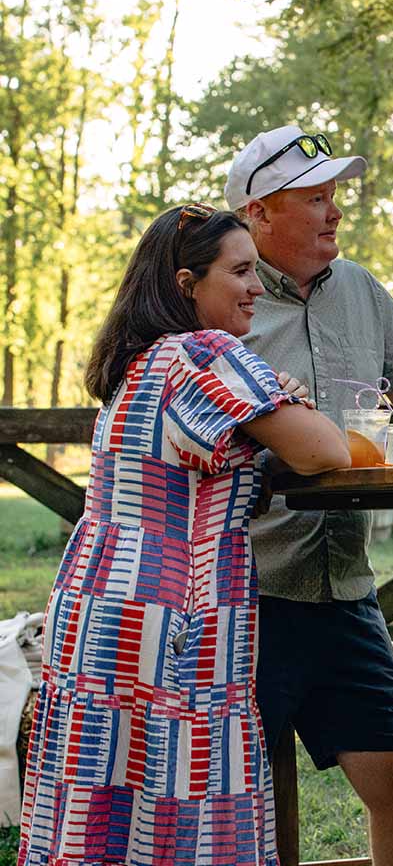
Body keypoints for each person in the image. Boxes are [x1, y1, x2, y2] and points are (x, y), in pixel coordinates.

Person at [18, 204, 350, 866]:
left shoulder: (137, 364)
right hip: (176, 619)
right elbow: (326, 453)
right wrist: (296, 405)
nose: (257, 286)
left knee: (105, 811)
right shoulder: (204, 352)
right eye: (240, 271)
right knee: (185, 809)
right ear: (185, 283)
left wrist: (268, 402)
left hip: (100, 610)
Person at [223, 126, 393, 865]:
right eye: (315, 198)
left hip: (343, 589)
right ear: (259, 213)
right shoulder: (220, 296)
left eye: (335, 196)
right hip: (243, 594)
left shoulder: (359, 287)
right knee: (231, 799)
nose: (334, 213)